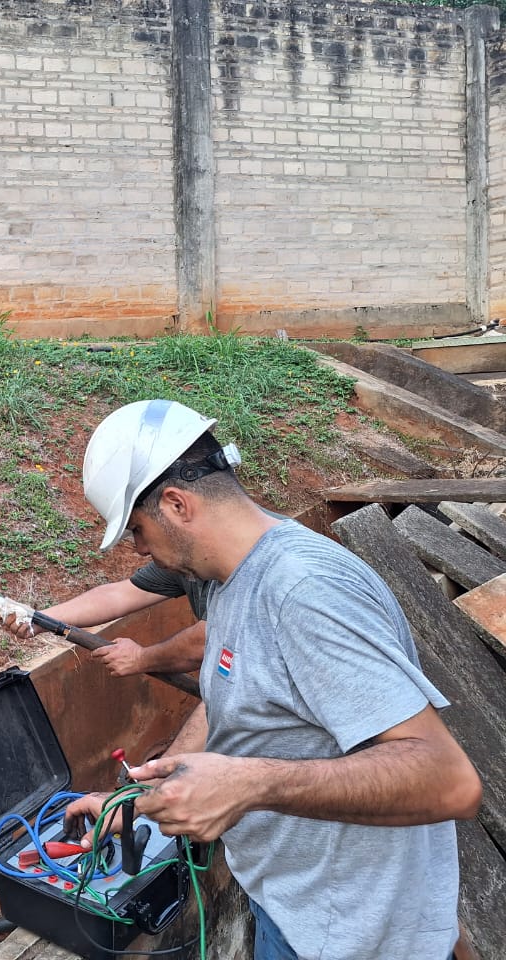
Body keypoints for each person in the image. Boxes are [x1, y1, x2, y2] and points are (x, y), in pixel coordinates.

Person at [65, 398, 481, 960]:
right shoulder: (234, 579)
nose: (139, 549)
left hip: (351, 933)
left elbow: (449, 782)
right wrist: (140, 798)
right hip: (297, 904)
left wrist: (252, 784)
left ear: (176, 504)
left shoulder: (303, 591)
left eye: (137, 529)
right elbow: (230, 703)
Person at [1, 562, 209, 677]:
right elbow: (120, 595)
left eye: (139, 529)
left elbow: (207, 639)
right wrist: (40, 619)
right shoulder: (182, 558)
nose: (141, 547)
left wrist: (142, 658)